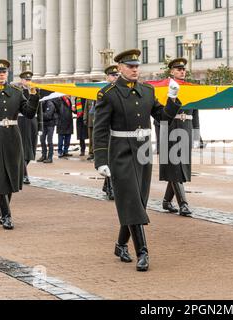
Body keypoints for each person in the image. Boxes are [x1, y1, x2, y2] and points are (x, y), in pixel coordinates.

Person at [93, 49, 182, 272]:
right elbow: (101, 129)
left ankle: (121, 244)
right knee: (132, 200)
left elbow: (162, 117)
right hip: (121, 152)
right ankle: (143, 251)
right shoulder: (109, 94)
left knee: (138, 202)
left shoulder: (147, 90)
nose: (135, 69)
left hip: (143, 151)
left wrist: (172, 99)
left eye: (137, 66)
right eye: (130, 66)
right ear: (120, 68)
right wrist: (101, 159)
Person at [0, 59, 40, 230]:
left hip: (13, 137)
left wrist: (33, 97)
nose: (1, 74)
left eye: (4, 72)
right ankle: (6, 214)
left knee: (11, 176)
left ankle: (3, 209)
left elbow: (28, 113)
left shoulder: (16, 92)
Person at [160, 58, 199, 217]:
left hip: (186, 128)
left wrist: (196, 132)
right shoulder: (165, 87)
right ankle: (183, 204)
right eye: (178, 69)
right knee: (175, 166)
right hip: (170, 128)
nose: (182, 71)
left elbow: (196, 109)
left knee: (179, 166)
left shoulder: (191, 88)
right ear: (171, 71)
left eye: (183, 69)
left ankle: (166, 201)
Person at [18, 71, 43, 185]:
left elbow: (40, 110)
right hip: (22, 122)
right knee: (23, 149)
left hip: (33, 122)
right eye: (26, 80)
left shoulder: (35, 91)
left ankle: (20, 170)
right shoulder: (18, 92)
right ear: (22, 80)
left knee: (31, 149)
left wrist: (40, 126)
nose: (28, 82)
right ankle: (24, 175)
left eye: (29, 80)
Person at [100, 65, 120, 201]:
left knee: (113, 162)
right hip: (107, 132)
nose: (115, 77)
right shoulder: (104, 93)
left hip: (118, 133)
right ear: (107, 77)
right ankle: (111, 188)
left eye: (117, 75)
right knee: (108, 161)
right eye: (113, 75)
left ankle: (108, 186)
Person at [37, 99, 56, 164]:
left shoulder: (50, 104)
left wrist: (39, 114)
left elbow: (48, 115)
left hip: (50, 124)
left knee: (49, 141)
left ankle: (50, 157)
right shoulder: (40, 103)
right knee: (42, 140)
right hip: (44, 124)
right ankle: (43, 155)